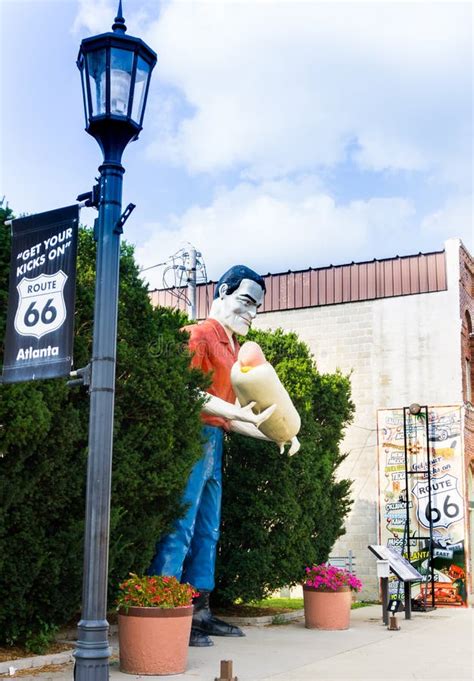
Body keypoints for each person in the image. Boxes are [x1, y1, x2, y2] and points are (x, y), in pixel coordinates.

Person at [148, 265, 275, 647]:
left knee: (208, 527)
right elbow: (188, 392)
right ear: (221, 293)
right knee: (182, 523)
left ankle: (198, 609)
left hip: (214, 438)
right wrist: (237, 413)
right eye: (245, 301)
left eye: (257, 307)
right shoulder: (198, 335)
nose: (251, 313)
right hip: (193, 436)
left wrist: (273, 434)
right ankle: (163, 608)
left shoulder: (235, 352)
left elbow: (231, 415)